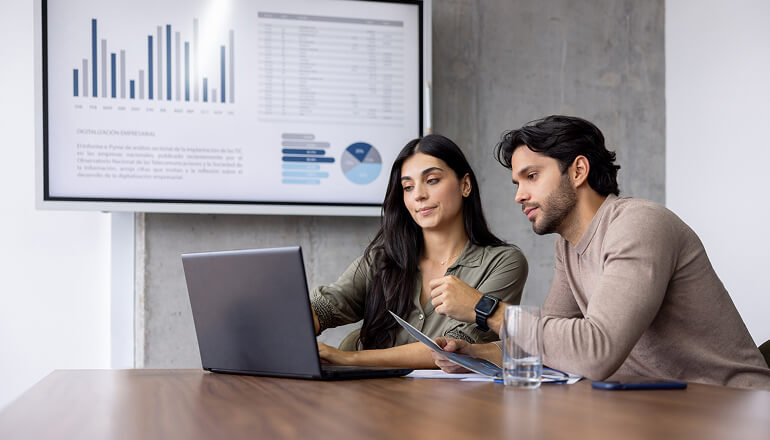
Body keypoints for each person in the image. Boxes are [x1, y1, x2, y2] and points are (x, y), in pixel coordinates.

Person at [432, 115, 770, 389]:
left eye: (531, 176)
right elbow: (549, 342)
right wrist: (477, 353)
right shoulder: (568, 245)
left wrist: (485, 309)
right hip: (665, 405)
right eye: (517, 183)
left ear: (578, 171)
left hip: (734, 406)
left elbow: (597, 350)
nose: (519, 195)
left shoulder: (639, 225)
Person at [310, 134, 528, 369]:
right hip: (367, 396)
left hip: (449, 403)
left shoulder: (503, 262)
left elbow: (456, 348)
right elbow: (326, 306)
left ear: (465, 185)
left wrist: (349, 358)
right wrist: (296, 319)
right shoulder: (382, 258)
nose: (418, 195)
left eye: (432, 180)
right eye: (408, 187)